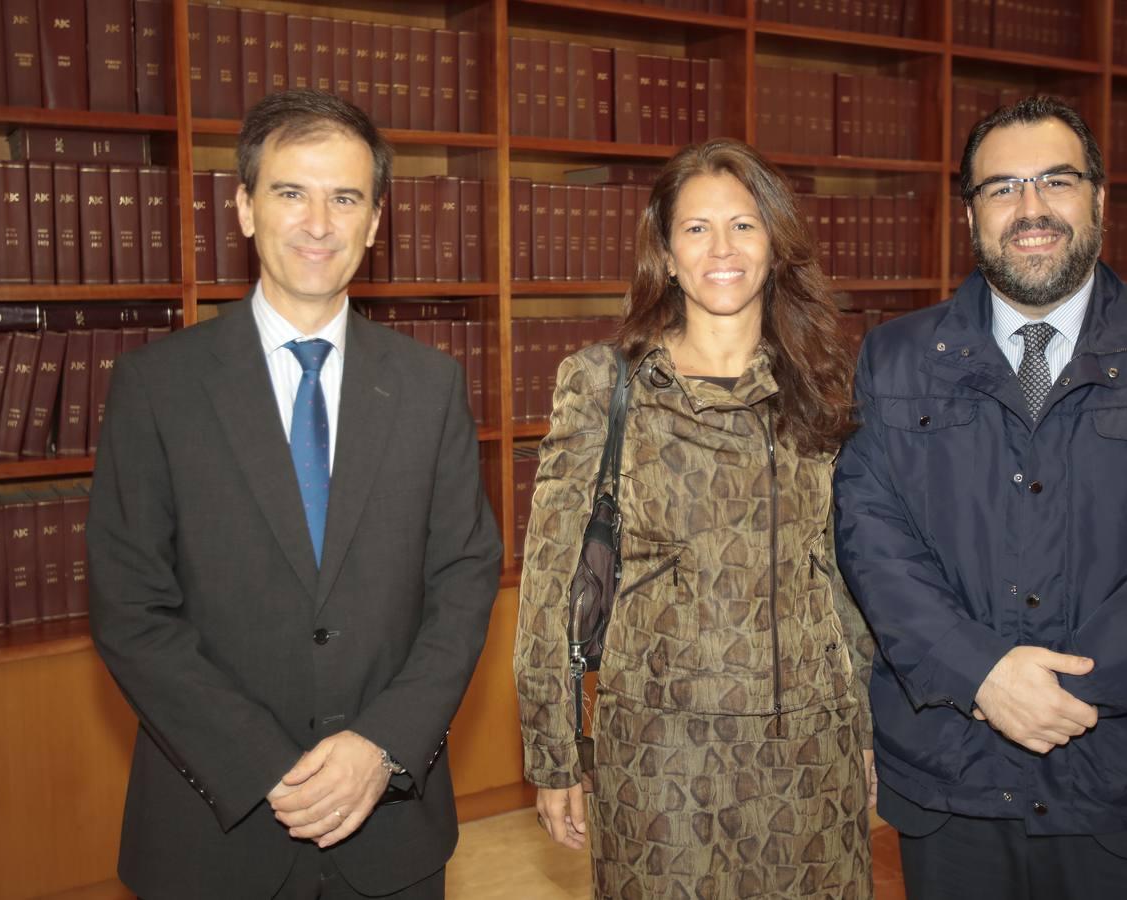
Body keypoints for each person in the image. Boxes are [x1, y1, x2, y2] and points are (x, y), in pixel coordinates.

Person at [833, 95, 1127, 899]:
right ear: (969, 215)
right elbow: (871, 536)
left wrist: (1059, 690)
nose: (1031, 209)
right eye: (1001, 188)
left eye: (1056, 181)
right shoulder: (893, 356)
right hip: (956, 771)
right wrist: (979, 673)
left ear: (1099, 198)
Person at [88, 89, 502, 899]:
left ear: (375, 222)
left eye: (344, 197)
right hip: (213, 831)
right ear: (243, 207)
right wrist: (264, 766)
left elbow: (464, 581)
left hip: (389, 830)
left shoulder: (431, 386)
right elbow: (130, 607)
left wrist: (380, 746)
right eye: (290, 192)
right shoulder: (156, 386)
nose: (319, 222)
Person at [515, 138, 877, 898]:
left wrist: (872, 731)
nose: (722, 248)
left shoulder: (824, 384)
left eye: (744, 225)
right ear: (666, 253)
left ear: (775, 245)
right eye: (696, 228)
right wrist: (552, 755)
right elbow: (549, 584)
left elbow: (844, 570)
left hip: (809, 745)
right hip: (657, 756)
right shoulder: (601, 383)